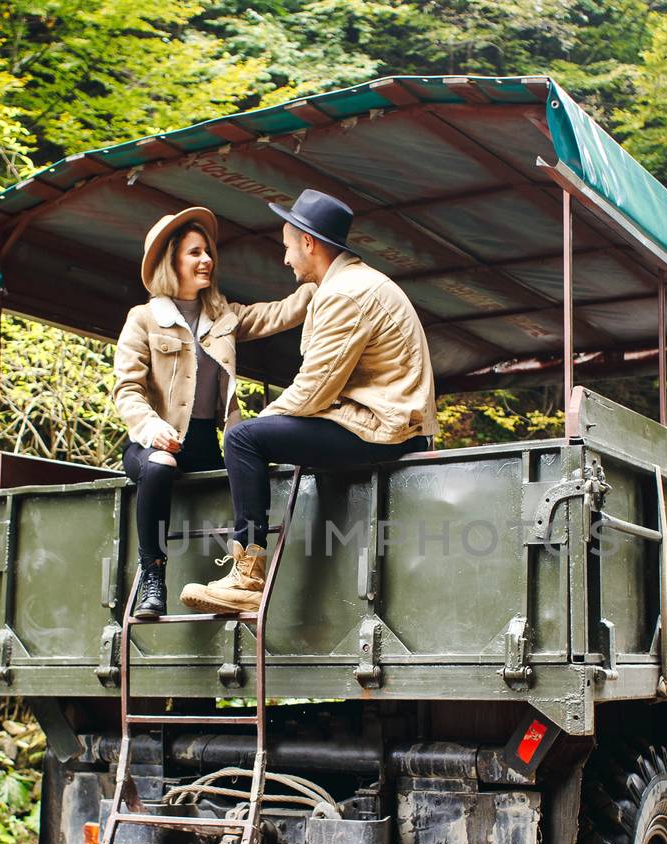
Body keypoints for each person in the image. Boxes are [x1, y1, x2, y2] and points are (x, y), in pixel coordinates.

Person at [180, 189, 438, 615]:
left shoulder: (346, 294)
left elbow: (314, 388)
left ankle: (248, 577)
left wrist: (255, 430)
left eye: (286, 247)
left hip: (385, 431)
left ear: (308, 242)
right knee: (255, 435)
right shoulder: (345, 285)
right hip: (381, 423)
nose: (285, 260)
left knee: (244, 439)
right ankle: (249, 566)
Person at [113, 208, 314, 618]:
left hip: (206, 443)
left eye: (207, 252)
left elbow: (280, 313)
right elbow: (126, 390)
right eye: (194, 253)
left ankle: (239, 576)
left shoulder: (224, 317)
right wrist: (152, 429)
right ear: (171, 262)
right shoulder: (144, 319)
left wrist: (321, 276)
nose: (206, 260)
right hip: (153, 442)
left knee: (244, 472)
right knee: (158, 464)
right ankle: (153, 576)